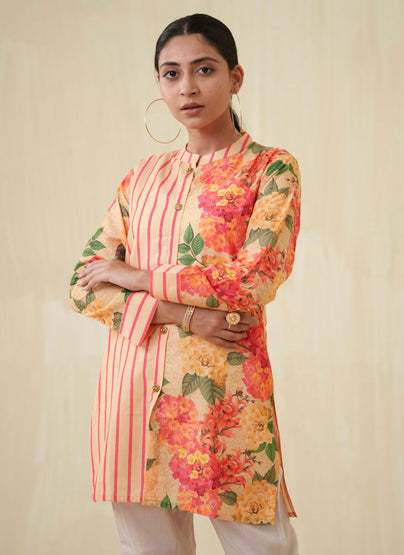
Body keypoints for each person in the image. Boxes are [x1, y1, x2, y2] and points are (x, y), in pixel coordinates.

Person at [70, 13, 301, 555]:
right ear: (160, 84)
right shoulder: (141, 178)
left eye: (204, 69)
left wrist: (138, 277)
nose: (187, 87)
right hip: (131, 392)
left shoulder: (270, 170)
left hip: (223, 395)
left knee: (262, 546)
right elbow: (84, 286)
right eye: (171, 74)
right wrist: (185, 315)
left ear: (235, 77)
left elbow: (254, 279)